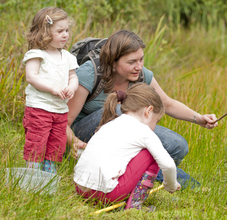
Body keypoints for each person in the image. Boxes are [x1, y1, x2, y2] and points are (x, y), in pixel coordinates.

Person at [67, 30, 218, 183]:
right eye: (132, 62)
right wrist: (74, 142)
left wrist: (198, 118)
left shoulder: (140, 75)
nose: (138, 66)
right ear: (113, 62)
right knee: (117, 112)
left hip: (123, 135)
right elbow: (63, 121)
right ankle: (160, 175)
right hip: (84, 135)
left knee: (178, 145)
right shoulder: (90, 73)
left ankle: (139, 171)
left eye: (141, 59)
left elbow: (167, 103)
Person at [74, 83, 181, 209]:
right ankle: (135, 204)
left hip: (80, 189)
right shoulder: (144, 131)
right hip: (105, 195)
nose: (154, 127)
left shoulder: (109, 124)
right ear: (149, 110)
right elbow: (168, 164)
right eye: (156, 121)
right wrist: (171, 185)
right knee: (151, 154)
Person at [22, 7, 79, 173]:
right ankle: (32, 173)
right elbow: (31, 76)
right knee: (37, 141)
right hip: (39, 108)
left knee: (56, 143)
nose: (65, 35)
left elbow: (73, 77)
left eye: (67, 30)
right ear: (44, 33)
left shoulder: (68, 57)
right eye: (60, 31)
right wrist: (53, 88)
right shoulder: (37, 54)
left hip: (60, 110)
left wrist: (71, 87)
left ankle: (49, 174)